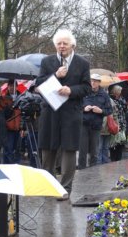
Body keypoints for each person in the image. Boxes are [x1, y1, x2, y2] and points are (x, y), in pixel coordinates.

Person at [36, 29, 92, 200]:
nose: (61, 46)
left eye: (65, 43)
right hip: (50, 112)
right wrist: (55, 75)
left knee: (69, 150)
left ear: (72, 45)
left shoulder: (82, 63)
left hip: (71, 113)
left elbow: (87, 87)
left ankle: (65, 188)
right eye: (59, 43)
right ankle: (49, 186)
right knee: (48, 150)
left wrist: (71, 90)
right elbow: (38, 84)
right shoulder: (47, 62)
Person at [78, 73, 111, 169]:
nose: (93, 83)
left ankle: (93, 171)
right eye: (91, 81)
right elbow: (76, 107)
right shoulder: (84, 93)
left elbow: (109, 110)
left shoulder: (104, 95)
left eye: (95, 81)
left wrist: (101, 111)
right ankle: (81, 170)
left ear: (99, 82)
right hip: (84, 124)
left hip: (96, 126)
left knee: (94, 151)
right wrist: (84, 108)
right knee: (82, 150)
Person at [2, 80, 22, 164]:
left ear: (16, 87)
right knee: (8, 149)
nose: (12, 88)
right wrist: (12, 105)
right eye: (10, 86)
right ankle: (7, 166)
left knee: (18, 149)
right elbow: (4, 114)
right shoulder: (4, 98)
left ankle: (17, 165)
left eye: (13, 86)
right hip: (8, 127)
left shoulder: (21, 97)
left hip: (19, 127)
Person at [109, 84, 128, 161]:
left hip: (122, 123)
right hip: (114, 123)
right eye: (119, 90)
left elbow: (126, 110)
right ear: (115, 91)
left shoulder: (122, 99)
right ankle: (113, 158)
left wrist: (126, 105)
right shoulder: (111, 99)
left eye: (120, 91)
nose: (120, 92)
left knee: (121, 142)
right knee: (114, 142)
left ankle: (119, 158)